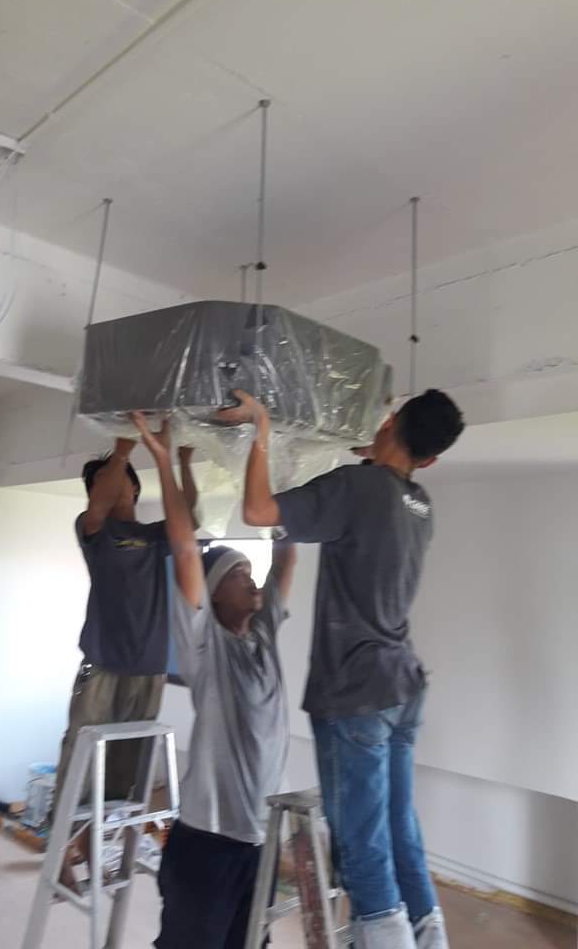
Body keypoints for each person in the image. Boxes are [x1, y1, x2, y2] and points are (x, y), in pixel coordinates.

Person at [222, 388, 465, 949]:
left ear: (392, 421)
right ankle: (428, 936)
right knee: (398, 825)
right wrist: (375, 451)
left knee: (361, 841)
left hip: (356, 690)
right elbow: (380, 493)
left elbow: (258, 512)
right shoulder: (420, 503)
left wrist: (263, 429)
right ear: (430, 460)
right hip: (403, 686)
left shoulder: (356, 488)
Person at [131, 411, 296, 949]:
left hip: (261, 839)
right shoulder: (206, 647)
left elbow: (288, 553)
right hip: (209, 840)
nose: (253, 580)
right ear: (214, 594)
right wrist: (164, 460)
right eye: (239, 574)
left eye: (251, 571)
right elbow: (185, 549)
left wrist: (283, 463)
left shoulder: (264, 635)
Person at [53, 438, 198, 888]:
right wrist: (120, 452)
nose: (112, 487)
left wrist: (183, 462)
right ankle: (61, 853)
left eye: (119, 480)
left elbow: (189, 516)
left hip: (148, 670)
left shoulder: (156, 536)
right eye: (102, 483)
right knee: (79, 761)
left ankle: (92, 849)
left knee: (123, 771)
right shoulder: (94, 532)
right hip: (103, 666)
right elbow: (98, 506)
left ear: (134, 488)